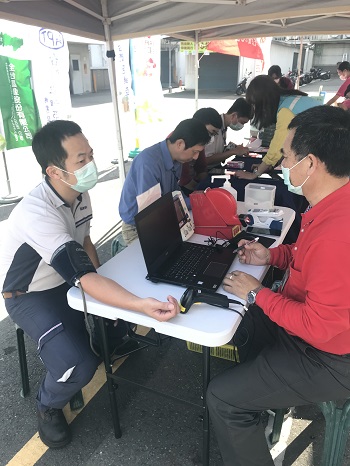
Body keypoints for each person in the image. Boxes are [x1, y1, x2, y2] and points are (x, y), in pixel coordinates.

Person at [0, 120, 180, 450]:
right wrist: (136, 304)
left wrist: (107, 285)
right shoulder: (36, 213)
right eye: (81, 160)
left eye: (91, 154)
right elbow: (83, 277)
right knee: (78, 364)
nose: (91, 165)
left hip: (65, 279)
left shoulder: (79, 194)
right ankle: (48, 404)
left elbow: (84, 242)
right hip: (30, 294)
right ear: (55, 172)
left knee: (116, 302)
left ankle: (106, 335)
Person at [206, 105, 350, 466]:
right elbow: (305, 257)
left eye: (286, 156)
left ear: (312, 163)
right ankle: (260, 406)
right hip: (317, 331)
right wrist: (272, 256)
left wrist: (256, 293)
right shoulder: (333, 204)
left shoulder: (338, 235)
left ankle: (244, 414)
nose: (283, 165)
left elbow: (318, 325)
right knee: (237, 319)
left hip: (329, 357)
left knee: (223, 399)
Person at [119, 118, 210, 245]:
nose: (196, 157)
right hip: (138, 228)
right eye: (195, 152)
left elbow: (175, 195)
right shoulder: (149, 164)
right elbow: (152, 212)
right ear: (180, 144)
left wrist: (200, 200)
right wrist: (196, 202)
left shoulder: (177, 159)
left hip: (162, 219)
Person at [235, 74, 319, 180]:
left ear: (264, 102)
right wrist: (266, 165)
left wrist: (255, 174)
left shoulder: (286, 110)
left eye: (256, 104)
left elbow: (278, 145)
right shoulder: (291, 99)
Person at [179, 107, 221, 196]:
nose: (211, 137)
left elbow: (201, 167)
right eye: (211, 132)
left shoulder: (199, 141)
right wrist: (202, 193)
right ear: (199, 125)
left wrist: (206, 187)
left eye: (214, 134)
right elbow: (184, 180)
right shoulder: (185, 139)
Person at [204, 98, 251, 168]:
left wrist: (233, 148)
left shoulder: (224, 126)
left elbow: (216, 150)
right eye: (242, 122)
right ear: (234, 115)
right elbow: (206, 159)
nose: (242, 126)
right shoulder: (213, 127)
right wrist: (233, 151)